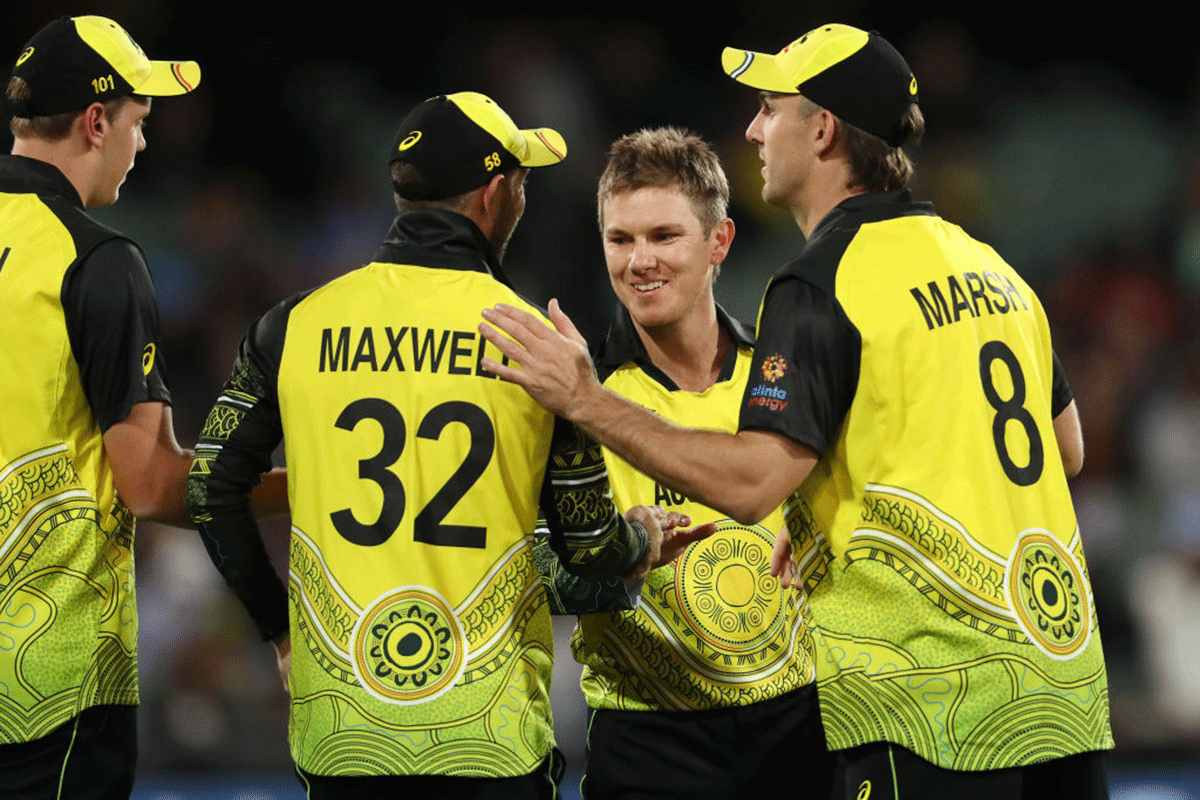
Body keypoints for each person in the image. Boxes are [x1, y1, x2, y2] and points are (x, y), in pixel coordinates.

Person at [479, 24, 1113, 800]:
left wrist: (584, 399)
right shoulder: (991, 265)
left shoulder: (822, 283)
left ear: (820, 131)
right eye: (621, 237)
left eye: (770, 108)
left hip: (927, 703)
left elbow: (752, 485)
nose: (752, 129)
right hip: (1062, 689)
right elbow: (1065, 448)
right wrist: (835, 515)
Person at [186, 92, 707, 800]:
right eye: (521, 181)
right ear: (495, 194)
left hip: (345, 734)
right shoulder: (536, 345)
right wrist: (639, 542)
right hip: (489, 739)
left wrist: (278, 629)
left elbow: (210, 487)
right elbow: (586, 545)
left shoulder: (293, 326)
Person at [535, 127, 830, 799]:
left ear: (719, 242)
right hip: (648, 746)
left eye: (664, 236)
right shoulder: (571, 393)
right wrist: (619, 555)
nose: (640, 262)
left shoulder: (786, 374)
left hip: (803, 727)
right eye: (620, 239)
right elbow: (524, 568)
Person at [0, 15, 206, 797]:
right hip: (53, 689)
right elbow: (149, 486)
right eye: (138, 121)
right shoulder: (99, 261)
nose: (142, 143)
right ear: (96, 122)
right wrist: (305, 483)